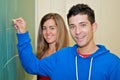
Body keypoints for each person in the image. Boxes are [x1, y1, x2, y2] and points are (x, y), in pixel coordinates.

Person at [13, 3, 120, 80]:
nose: (77, 31)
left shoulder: (113, 63)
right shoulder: (61, 56)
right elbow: (31, 66)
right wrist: (22, 33)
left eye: (83, 25)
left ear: (93, 27)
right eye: (72, 26)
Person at [36, 13, 69, 80]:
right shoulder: (41, 53)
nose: (47, 32)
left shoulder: (66, 56)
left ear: (60, 30)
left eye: (52, 28)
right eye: (44, 28)